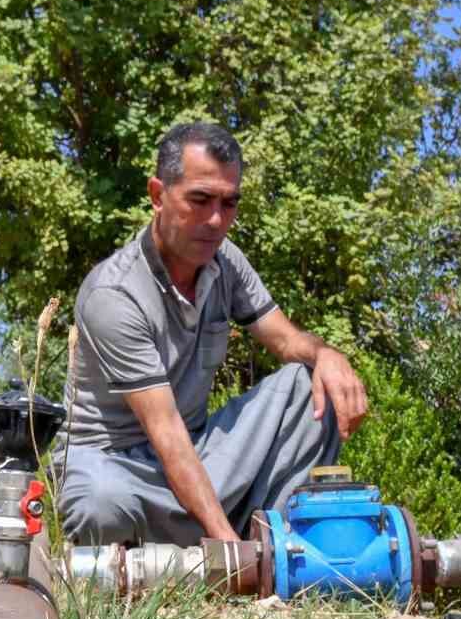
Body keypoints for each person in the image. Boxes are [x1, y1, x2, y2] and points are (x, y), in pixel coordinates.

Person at [55, 122, 368, 546]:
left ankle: (279, 546)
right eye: (199, 200)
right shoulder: (113, 294)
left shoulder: (227, 262)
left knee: (309, 384)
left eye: (229, 202)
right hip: (117, 464)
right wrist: (227, 546)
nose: (216, 220)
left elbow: (283, 339)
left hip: (197, 451)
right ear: (157, 195)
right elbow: (164, 431)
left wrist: (327, 354)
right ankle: (224, 549)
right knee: (101, 506)